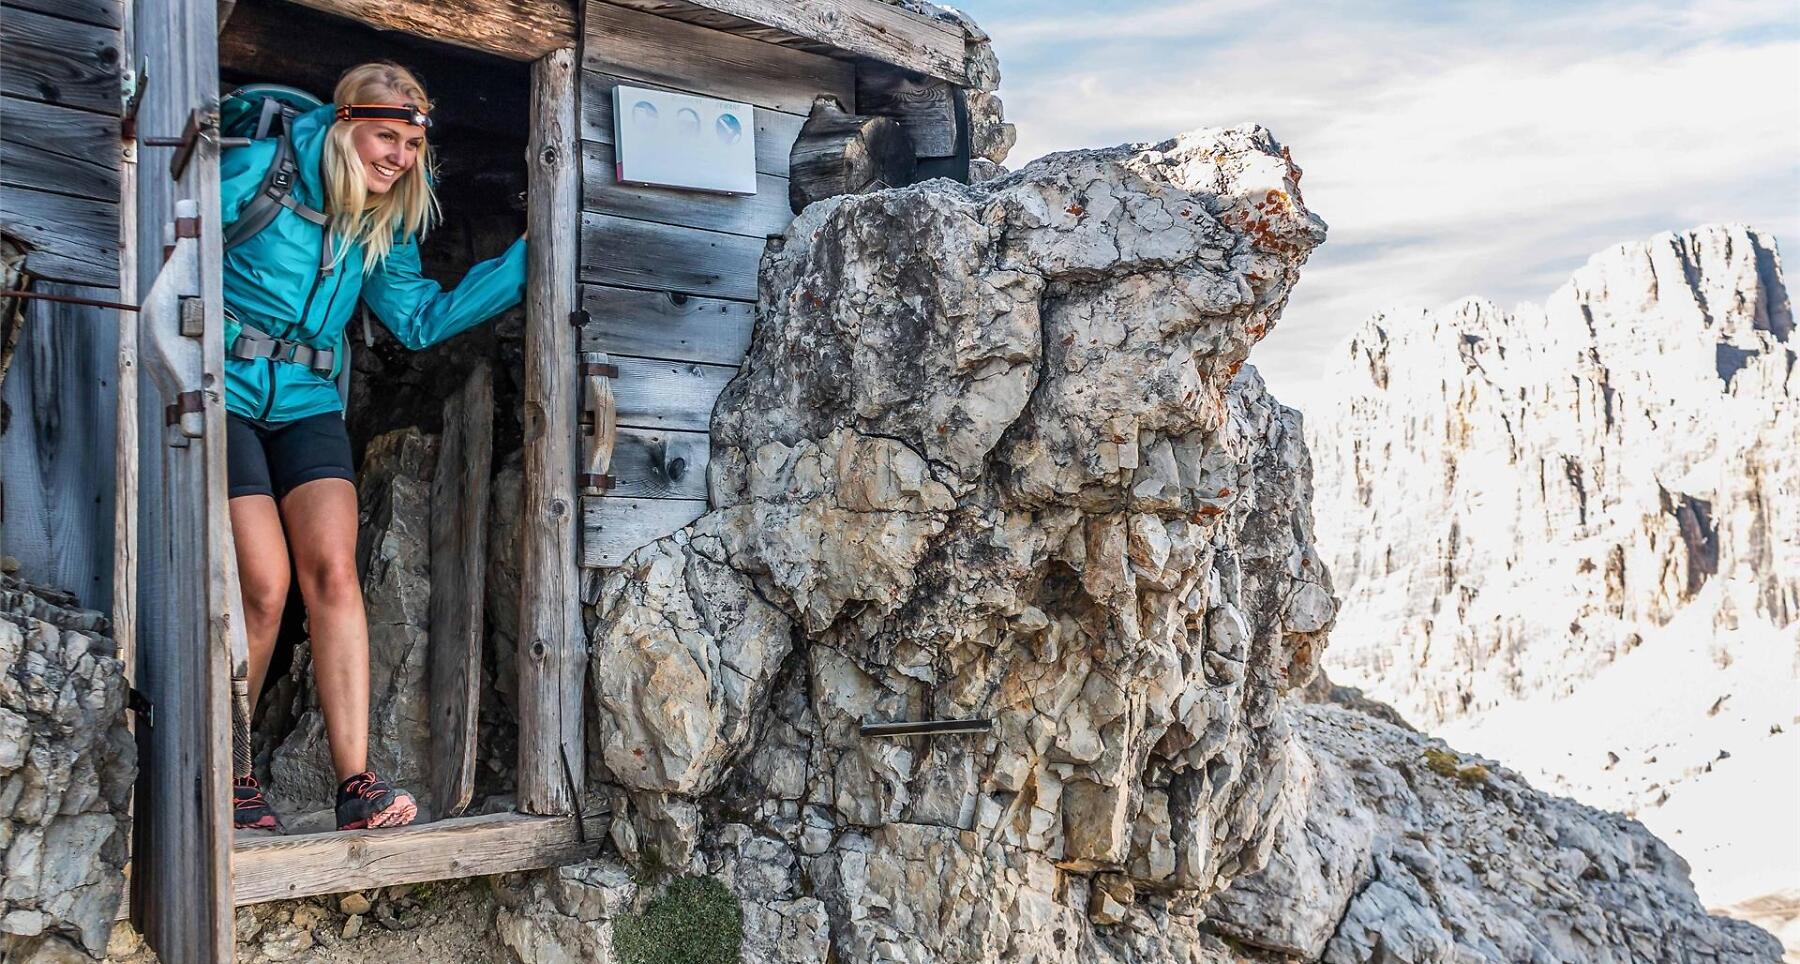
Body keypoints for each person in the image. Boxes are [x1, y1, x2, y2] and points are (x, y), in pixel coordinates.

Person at [220, 62, 525, 832]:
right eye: (386, 137)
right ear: (344, 124)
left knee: (334, 574)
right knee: (265, 583)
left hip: (307, 401)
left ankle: (356, 785)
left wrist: (533, 255)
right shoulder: (256, 171)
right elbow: (159, 235)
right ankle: (228, 772)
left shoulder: (379, 221)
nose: (399, 157)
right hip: (220, 390)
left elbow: (418, 320)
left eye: (411, 144)